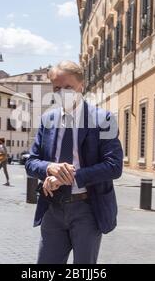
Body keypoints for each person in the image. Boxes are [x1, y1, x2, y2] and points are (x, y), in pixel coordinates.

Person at [25, 61, 123, 264]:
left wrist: (69, 177)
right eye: (57, 88)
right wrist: (49, 168)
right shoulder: (47, 120)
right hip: (53, 209)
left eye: (67, 87)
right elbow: (31, 162)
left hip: (87, 208)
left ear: (81, 85)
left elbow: (114, 165)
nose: (62, 93)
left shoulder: (103, 119)